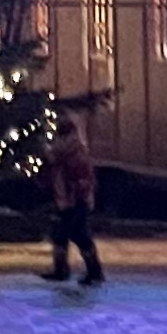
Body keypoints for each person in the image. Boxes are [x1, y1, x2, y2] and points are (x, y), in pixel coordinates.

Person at [41, 109, 102, 287]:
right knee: (62, 234)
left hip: (75, 200)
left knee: (77, 234)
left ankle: (93, 270)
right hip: (67, 200)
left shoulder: (74, 154)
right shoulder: (62, 155)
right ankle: (64, 269)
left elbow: (83, 179)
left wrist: (77, 195)